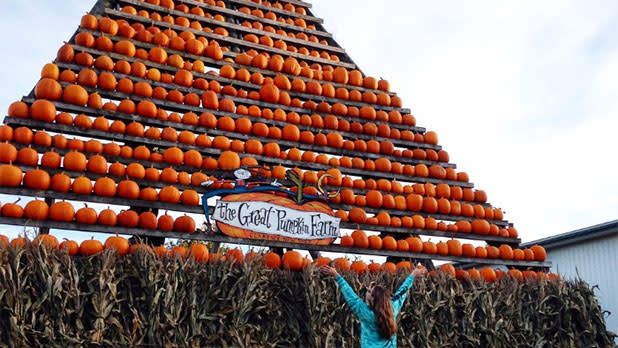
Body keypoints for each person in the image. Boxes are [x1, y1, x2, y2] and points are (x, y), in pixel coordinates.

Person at [320, 264, 427, 347]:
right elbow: (402, 291)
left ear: (372, 299)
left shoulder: (365, 313)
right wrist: (413, 275)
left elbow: (351, 296)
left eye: (370, 292)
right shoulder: (393, 308)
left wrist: (336, 276)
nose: (367, 291)